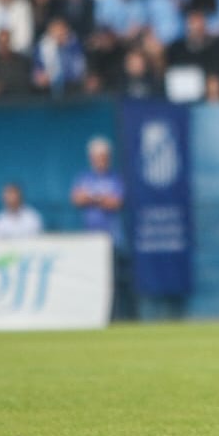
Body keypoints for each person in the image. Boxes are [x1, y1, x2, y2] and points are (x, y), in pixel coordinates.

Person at [71, 136, 132, 319]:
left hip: (112, 239)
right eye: (97, 156)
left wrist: (92, 198)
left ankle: (116, 318)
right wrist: (100, 199)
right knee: (91, 282)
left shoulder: (116, 178)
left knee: (113, 281)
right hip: (90, 240)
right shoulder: (84, 177)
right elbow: (77, 199)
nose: (101, 160)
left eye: (104, 156)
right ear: (91, 158)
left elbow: (116, 202)